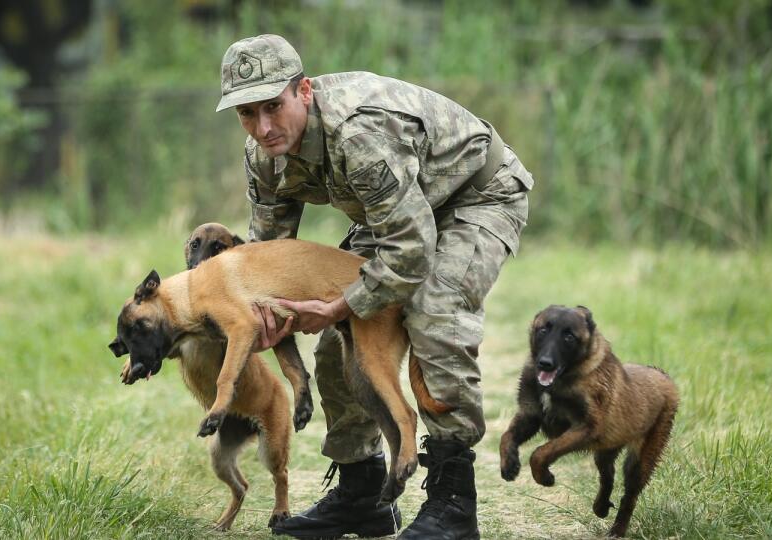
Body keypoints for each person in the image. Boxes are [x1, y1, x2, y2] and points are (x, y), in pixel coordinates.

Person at [215, 34, 533, 540]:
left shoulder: (358, 133)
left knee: (434, 313)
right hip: (398, 210)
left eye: (273, 107)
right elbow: (267, 255)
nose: (264, 127)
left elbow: (411, 251)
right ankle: (362, 494)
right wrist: (264, 314)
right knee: (339, 340)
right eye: (247, 114)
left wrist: (341, 301)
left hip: (475, 195)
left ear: (304, 91)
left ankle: (453, 501)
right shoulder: (264, 155)